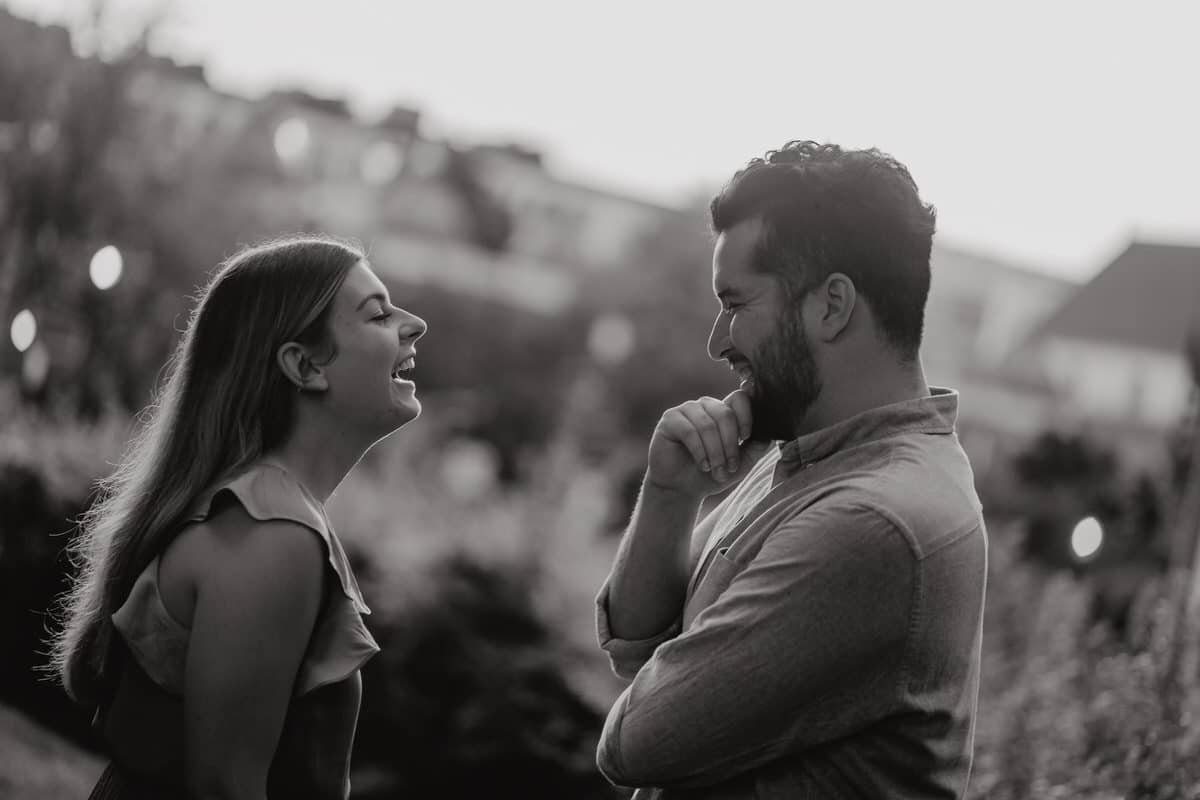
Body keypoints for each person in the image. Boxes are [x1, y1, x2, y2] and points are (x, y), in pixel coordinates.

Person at [595, 141, 987, 798]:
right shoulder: (802, 452)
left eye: (738, 303)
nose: (718, 340)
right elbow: (637, 647)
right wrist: (669, 493)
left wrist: (663, 677)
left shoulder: (874, 520)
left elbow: (636, 744)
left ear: (831, 305)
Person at [46, 235, 427, 799]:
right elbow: (224, 788)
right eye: (377, 314)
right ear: (303, 365)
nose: (413, 323)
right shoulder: (270, 535)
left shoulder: (272, 515)